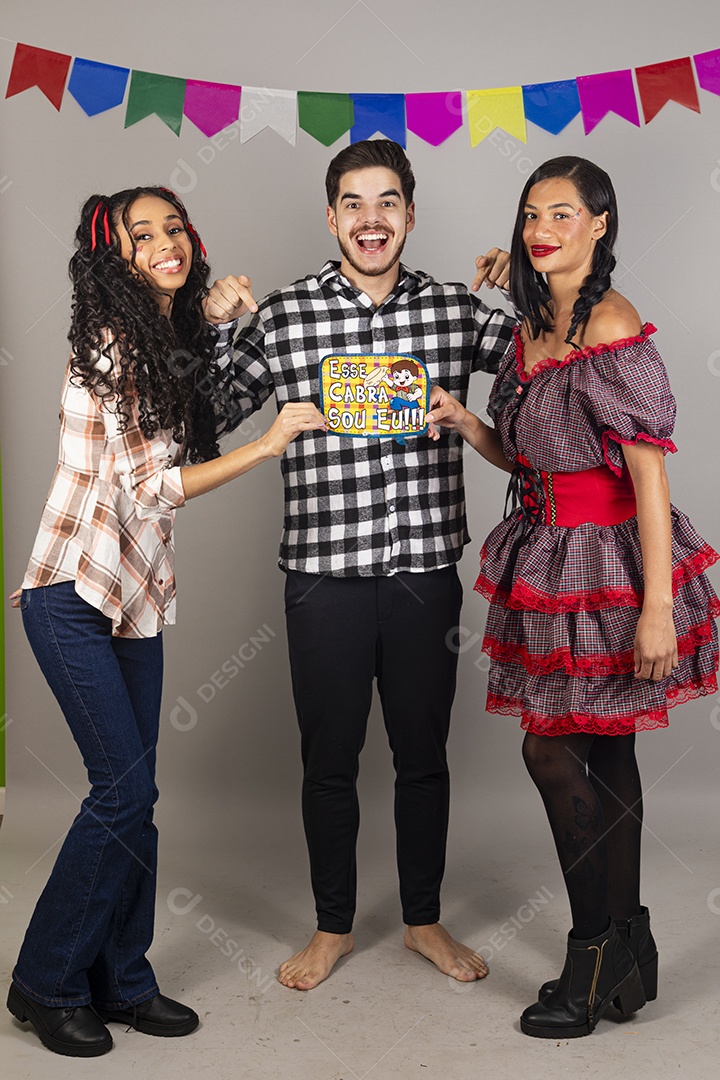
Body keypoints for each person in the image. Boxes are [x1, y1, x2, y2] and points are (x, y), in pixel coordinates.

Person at [6, 186, 325, 1057]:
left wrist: (222, 322)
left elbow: (198, 420)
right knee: (124, 791)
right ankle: (44, 980)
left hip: (134, 596)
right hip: (73, 592)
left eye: (172, 227)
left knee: (137, 803)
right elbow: (151, 485)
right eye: (139, 235)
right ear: (115, 259)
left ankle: (123, 979)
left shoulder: (166, 337)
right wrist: (268, 448)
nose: (162, 243)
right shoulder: (112, 344)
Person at [204, 138, 515, 990]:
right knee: (327, 761)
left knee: (424, 757)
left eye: (388, 203)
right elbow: (204, 417)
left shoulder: (456, 309)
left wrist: (521, 278)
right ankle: (332, 927)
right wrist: (215, 322)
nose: (370, 219)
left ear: (410, 216)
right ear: (332, 216)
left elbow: (553, 365)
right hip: (323, 580)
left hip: (422, 579)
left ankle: (423, 921)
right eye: (354, 202)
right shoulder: (287, 313)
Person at [427, 155, 719, 1038]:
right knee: (601, 753)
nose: (541, 226)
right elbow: (528, 457)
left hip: (614, 565)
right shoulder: (532, 324)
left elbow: (647, 470)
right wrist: (464, 420)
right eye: (529, 214)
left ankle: (589, 953)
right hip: (549, 551)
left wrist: (659, 605)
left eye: (562, 212)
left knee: (553, 756)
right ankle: (628, 948)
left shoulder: (612, 323)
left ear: (601, 224)